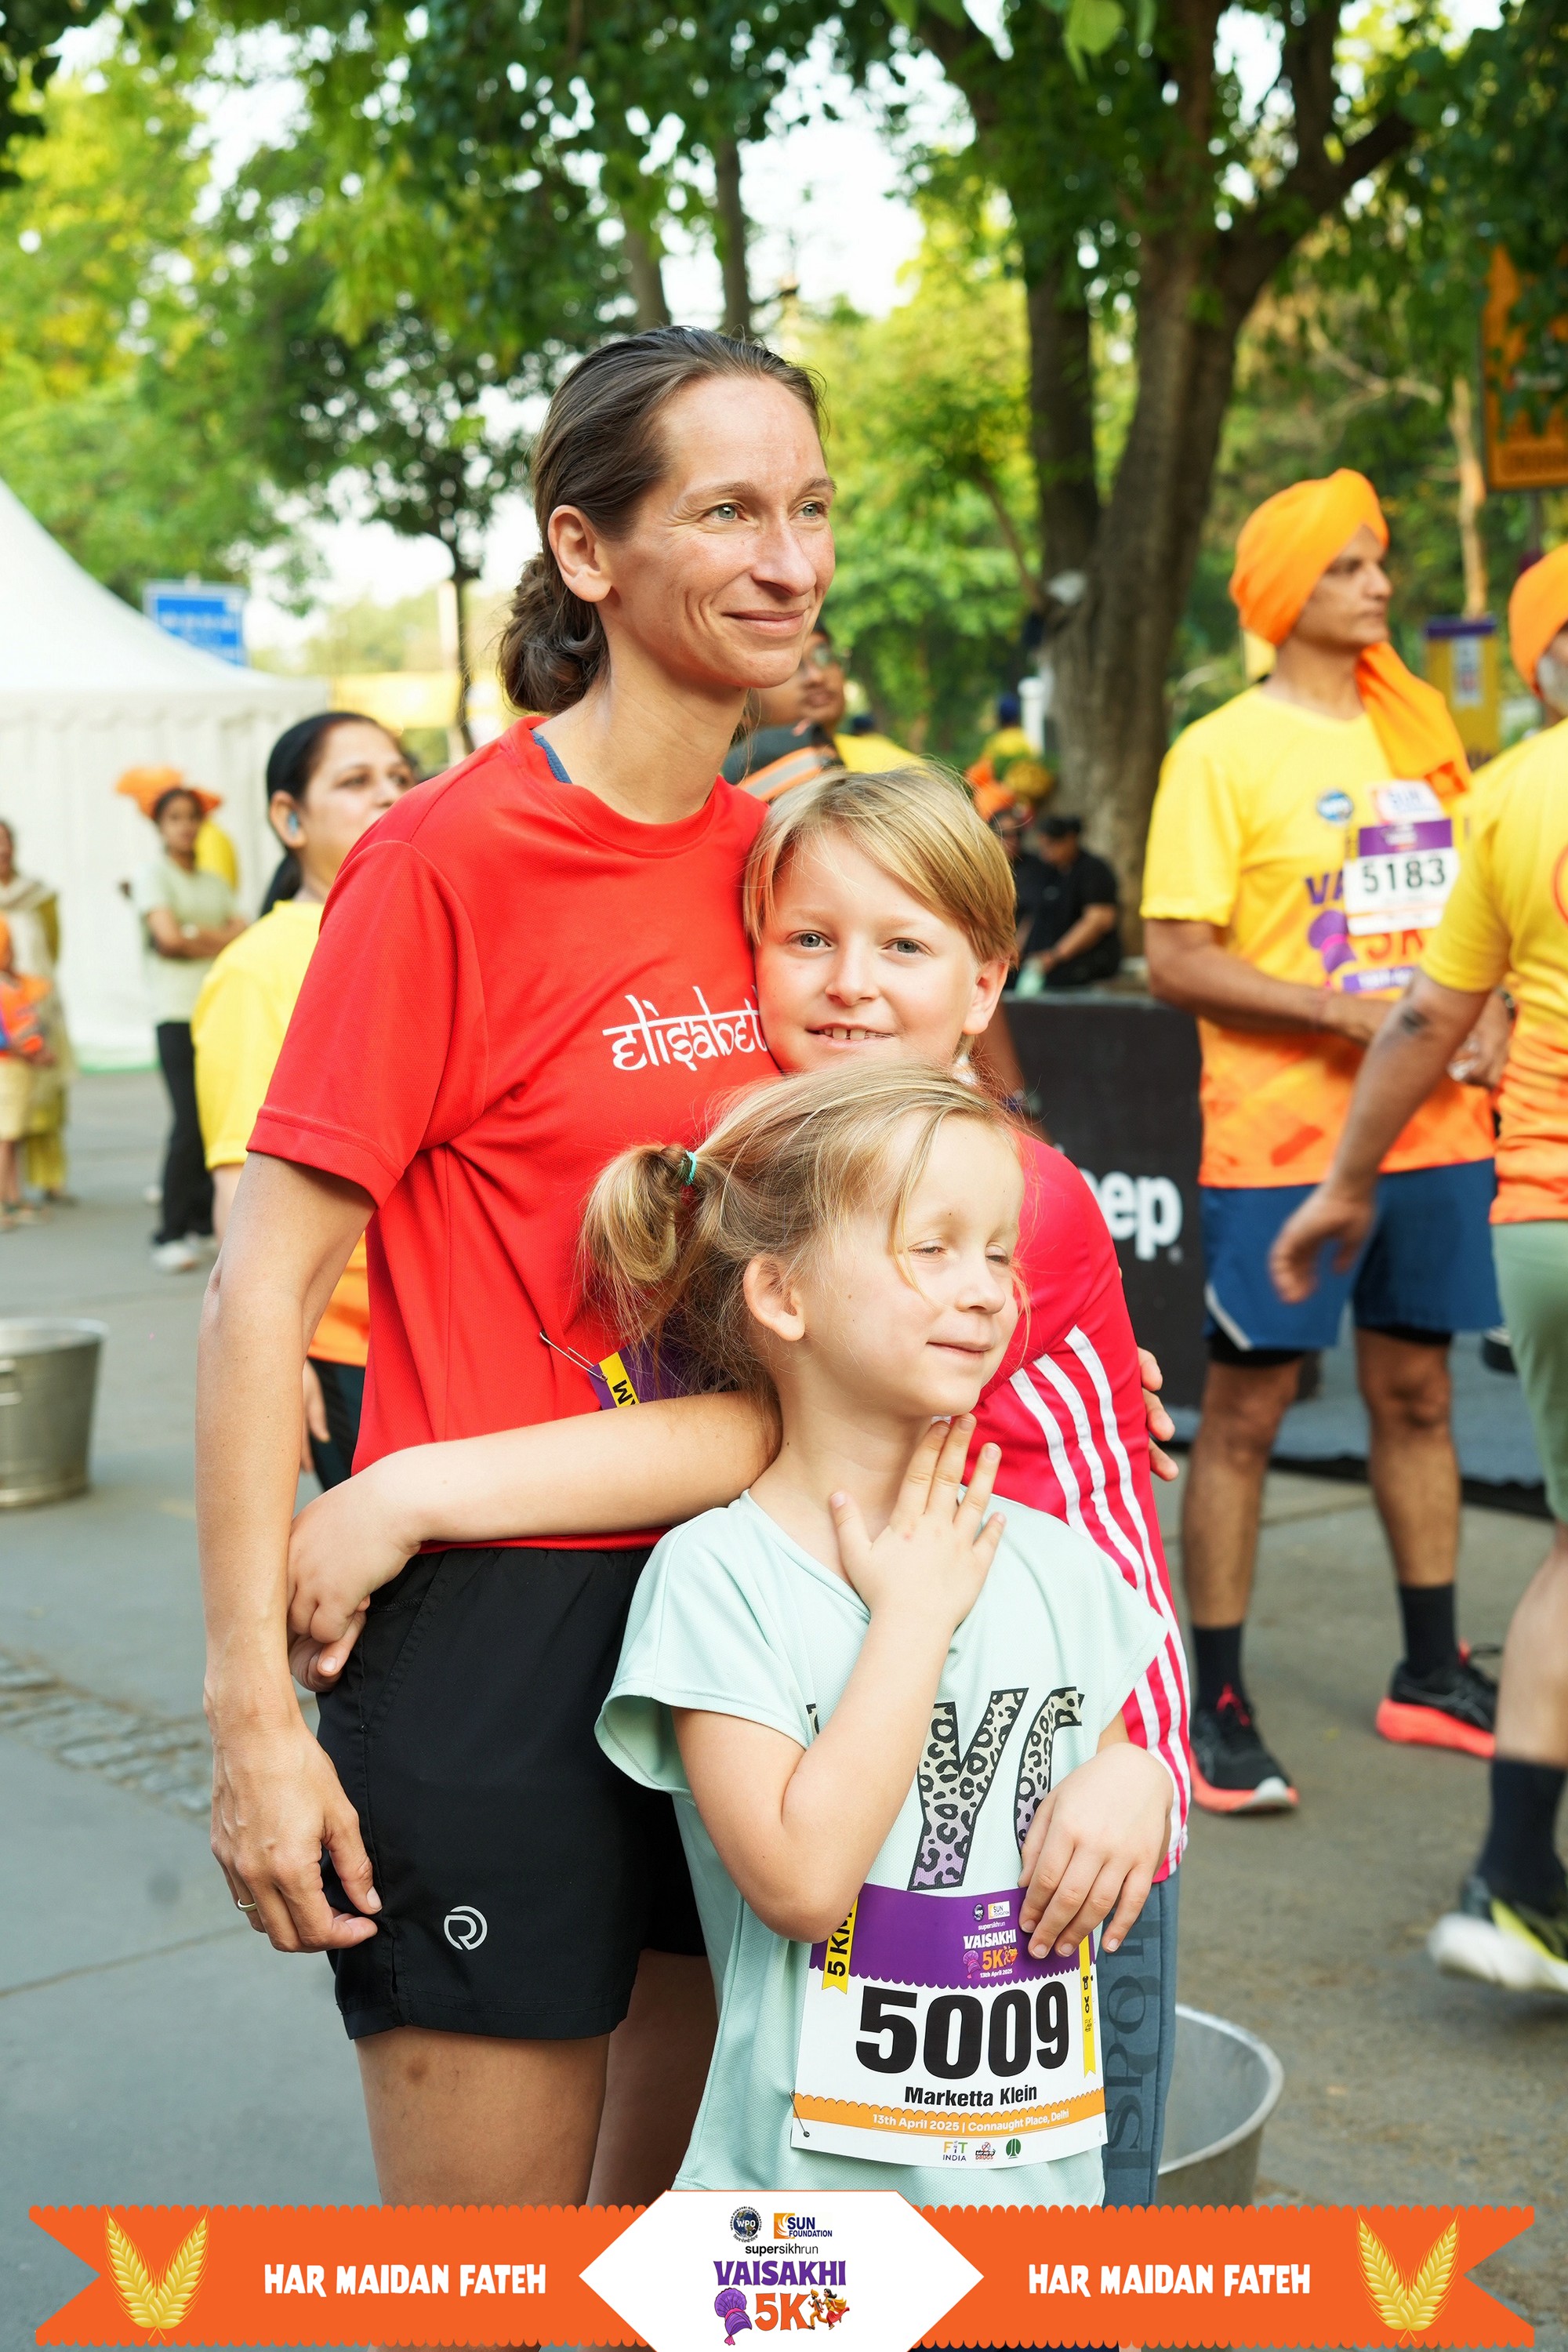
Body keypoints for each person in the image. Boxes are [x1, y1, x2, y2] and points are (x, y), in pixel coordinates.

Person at [287, 764, 1190, 2205]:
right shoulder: (766, 1172)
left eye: (902, 945)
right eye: (807, 940)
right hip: (849, 1758)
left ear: (984, 984)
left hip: (1057, 1780)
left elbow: (1068, 1507)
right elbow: (742, 1433)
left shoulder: (1010, 1197)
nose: (849, 983)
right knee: (795, 2172)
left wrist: (1146, 1763)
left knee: (1045, 2213)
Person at [197, 326, 836, 2215]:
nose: (786, 560)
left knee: (665, 2267)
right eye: (725, 511)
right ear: (584, 551)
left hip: (750, 1612)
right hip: (502, 1640)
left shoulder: (780, 871)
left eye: (809, 509)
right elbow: (256, 1295)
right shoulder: (442, 862)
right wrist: (250, 1713)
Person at [590, 1063, 1172, 2247]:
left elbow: (1111, 1769)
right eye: (931, 1249)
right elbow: (801, 1885)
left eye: (999, 1255)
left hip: (1036, 2224)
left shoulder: (1054, 1566)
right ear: (782, 1295)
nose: (985, 1290)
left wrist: (1139, 1781)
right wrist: (910, 1620)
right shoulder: (718, 1578)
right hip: (802, 2240)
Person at [1142, 469, 1509, 1815]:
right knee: (1245, 1415)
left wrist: (1488, 1011)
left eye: (1380, 561)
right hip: (1282, 1146)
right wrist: (1344, 1014)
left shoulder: (1423, 735)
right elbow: (1174, 956)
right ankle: (1217, 1703)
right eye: (1351, 565)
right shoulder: (1218, 752)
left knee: (1420, 1399)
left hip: (1439, 1130)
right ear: (1288, 590)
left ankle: (1432, 1670)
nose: (1380, 584)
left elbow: (1478, 918)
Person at [1271, 543, 1568, 1995]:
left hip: (1540, 1215)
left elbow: (1424, 1023)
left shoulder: (1505, 795)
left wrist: (1345, 1180)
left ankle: (1517, 1882)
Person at [191, 713, 415, 1488]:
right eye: (355, 782)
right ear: (289, 819)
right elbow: (238, 1183)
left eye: (399, 777)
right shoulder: (258, 969)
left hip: (441, 1323)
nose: (387, 795)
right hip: (348, 1341)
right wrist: (277, 1366)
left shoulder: (418, 924)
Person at [129, 780, 247, 1273]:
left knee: (215, 1117)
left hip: (217, 1009)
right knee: (188, 1122)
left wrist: (195, 934)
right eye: (175, 818)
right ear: (160, 826)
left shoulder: (214, 883)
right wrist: (212, 938)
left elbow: (244, 933)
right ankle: (169, 1232)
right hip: (176, 1012)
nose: (185, 826)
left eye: (192, 817)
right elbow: (169, 940)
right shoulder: (153, 875)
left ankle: (200, 1221)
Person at [722, 619, 916, 799]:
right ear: (740, 703)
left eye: (824, 656)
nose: (816, 676)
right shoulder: (718, 793)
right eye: (787, 666)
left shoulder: (893, 763)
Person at [0, 819, 74, 1203]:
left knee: (46, 1093)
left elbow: (53, 948)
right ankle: (10, 1192)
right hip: (5, 1018)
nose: (2, 851)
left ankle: (50, 1178)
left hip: (37, 1004)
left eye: (5, 841)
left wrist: (31, 993)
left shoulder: (38, 897)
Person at [1015, 813, 1121, 992]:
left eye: (1051, 845)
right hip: (1038, 965)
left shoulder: (1093, 870)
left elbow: (1099, 920)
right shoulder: (1048, 872)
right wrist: (1018, 949)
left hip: (1080, 968)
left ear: (1070, 839)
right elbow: (1033, 914)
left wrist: (1055, 956)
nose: (1045, 853)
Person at [0, 913, 53, 1229]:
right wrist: (28, 1052)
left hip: (18, 1070)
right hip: (8, 1070)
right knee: (5, 1139)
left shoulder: (12, 984)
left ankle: (13, 1196)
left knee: (13, 1137)